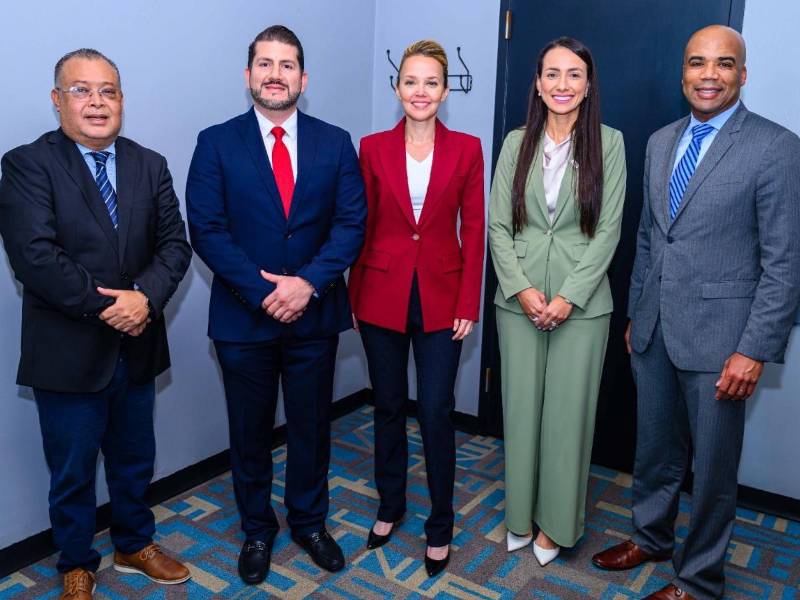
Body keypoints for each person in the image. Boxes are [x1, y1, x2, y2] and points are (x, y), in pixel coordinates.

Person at [591, 25, 800, 600]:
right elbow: (652, 237)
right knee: (653, 449)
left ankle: (699, 580)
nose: (709, 75)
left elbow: (785, 264)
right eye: (697, 63)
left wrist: (754, 349)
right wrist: (638, 312)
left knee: (711, 470)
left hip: (724, 341)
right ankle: (651, 536)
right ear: (682, 72)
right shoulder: (661, 141)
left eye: (724, 64)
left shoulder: (776, 147)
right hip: (655, 329)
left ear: (742, 75)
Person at [0, 49, 192, 600]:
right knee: (73, 472)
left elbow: (174, 246)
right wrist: (115, 308)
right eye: (81, 90)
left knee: (135, 460)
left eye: (108, 90)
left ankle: (135, 543)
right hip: (68, 351)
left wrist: (145, 300)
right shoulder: (27, 164)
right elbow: (34, 257)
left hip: (137, 346)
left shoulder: (149, 163)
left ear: (122, 101)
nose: (97, 102)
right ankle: (77, 563)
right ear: (58, 100)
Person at [186, 25, 366, 584]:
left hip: (315, 315)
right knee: (250, 431)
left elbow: (350, 223)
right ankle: (257, 530)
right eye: (264, 64)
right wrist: (267, 292)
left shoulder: (335, 142)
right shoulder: (215, 142)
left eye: (287, 65)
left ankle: (310, 523)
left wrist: (307, 284)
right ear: (248, 77)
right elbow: (208, 230)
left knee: (312, 427)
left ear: (303, 79)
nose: (275, 74)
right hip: (243, 320)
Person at [348, 40, 484, 577]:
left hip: (442, 298)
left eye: (431, 82)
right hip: (380, 293)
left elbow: (473, 230)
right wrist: (354, 293)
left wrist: (468, 299)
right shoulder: (372, 146)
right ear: (397, 88)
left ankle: (441, 522)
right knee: (386, 407)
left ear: (445, 91)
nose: (420, 91)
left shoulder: (468, 148)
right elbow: (360, 223)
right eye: (411, 81)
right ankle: (390, 504)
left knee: (434, 411)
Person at [489, 37, 626, 566]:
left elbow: (609, 229)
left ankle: (556, 526)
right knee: (520, 412)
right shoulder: (515, 142)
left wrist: (568, 296)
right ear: (538, 84)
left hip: (583, 305)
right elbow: (499, 225)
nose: (562, 85)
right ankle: (519, 517)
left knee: (568, 418)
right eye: (552, 74)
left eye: (573, 75)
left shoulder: (608, 143)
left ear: (588, 85)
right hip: (517, 297)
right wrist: (521, 289)